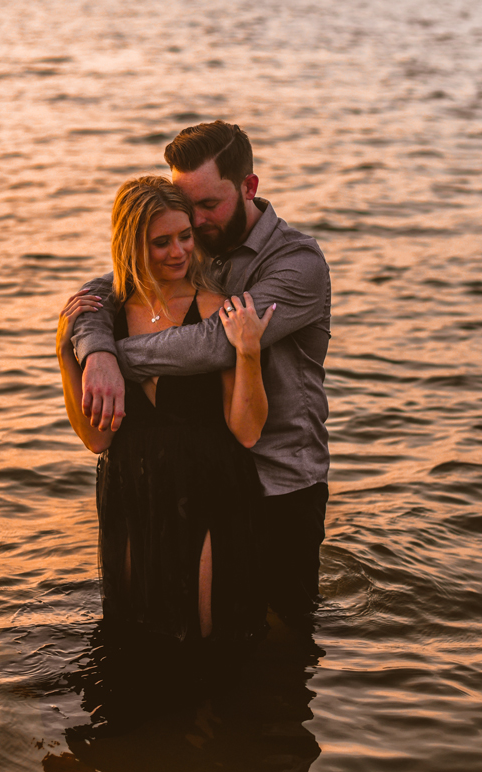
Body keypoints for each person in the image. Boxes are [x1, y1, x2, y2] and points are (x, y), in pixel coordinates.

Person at [69, 121, 331, 630]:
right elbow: (112, 285)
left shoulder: (299, 264)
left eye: (208, 205)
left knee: (282, 642)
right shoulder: (195, 242)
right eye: (187, 209)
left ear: (248, 187)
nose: (195, 222)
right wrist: (90, 345)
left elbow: (212, 343)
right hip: (208, 479)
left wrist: (111, 356)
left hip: (278, 480)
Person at [56, 175, 274, 642]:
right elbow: (97, 438)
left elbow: (248, 431)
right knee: (137, 639)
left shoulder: (220, 308)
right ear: (131, 244)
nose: (178, 252)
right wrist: (64, 352)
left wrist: (249, 352)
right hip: (131, 490)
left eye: (185, 237)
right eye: (161, 242)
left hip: (211, 487)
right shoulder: (107, 318)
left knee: (209, 636)